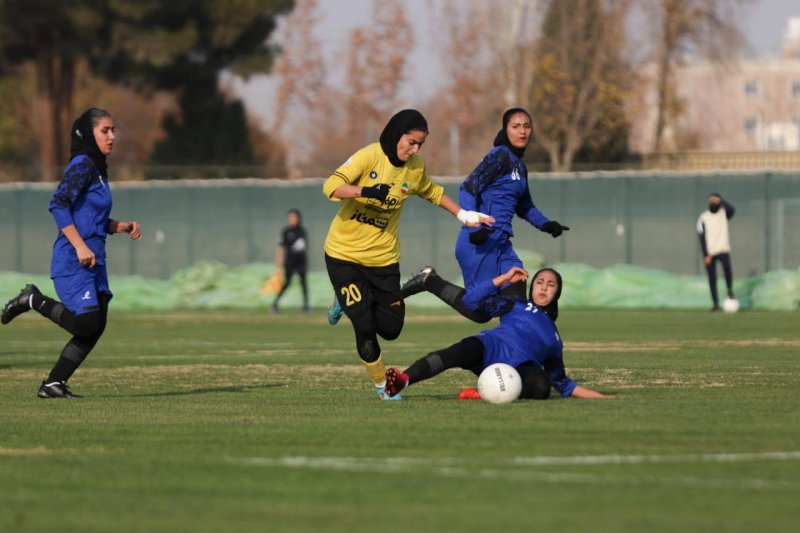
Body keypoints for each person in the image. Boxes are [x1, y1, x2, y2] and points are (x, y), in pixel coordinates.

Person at [322, 109, 493, 400]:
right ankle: (382, 387)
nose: (414, 149)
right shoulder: (369, 156)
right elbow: (330, 187)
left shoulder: (414, 169)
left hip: (384, 261)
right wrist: (367, 191)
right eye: (411, 142)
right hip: (344, 255)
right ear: (395, 133)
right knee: (364, 325)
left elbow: (433, 192)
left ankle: (346, 299)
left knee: (390, 329)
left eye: (420, 145)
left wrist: (464, 215)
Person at [0, 108, 141, 398]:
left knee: (95, 326)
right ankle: (33, 300)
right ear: (90, 133)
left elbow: (92, 217)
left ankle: (54, 384)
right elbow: (59, 204)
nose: (112, 136)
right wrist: (79, 245)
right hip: (73, 259)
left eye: (114, 130)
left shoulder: (98, 169)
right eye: (105, 130)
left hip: (95, 261)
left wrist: (120, 226)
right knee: (87, 322)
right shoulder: (83, 164)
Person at [401, 108, 569, 322]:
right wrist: (476, 228)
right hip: (480, 242)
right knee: (479, 311)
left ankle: (514, 350)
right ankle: (429, 281)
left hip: (502, 244)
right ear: (505, 129)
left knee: (515, 297)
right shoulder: (500, 155)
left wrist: (546, 224)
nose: (522, 131)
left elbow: (524, 205)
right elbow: (468, 188)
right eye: (515, 126)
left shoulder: (519, 165)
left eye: (526, 126)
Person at [384, 266, 607, 400]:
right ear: (532, 286)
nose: (544, 287)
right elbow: (471, 301)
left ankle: (483, 393)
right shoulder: (515, 304)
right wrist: (503, 279)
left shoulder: (555, 340)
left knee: (542, 386)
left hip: (520, 367)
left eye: (551, 285)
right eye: (539, 282)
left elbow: (565, 385)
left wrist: (603, 398)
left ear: (557, 293)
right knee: (456, 353)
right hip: (490, 347)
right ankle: (403, 380)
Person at [697, 193, 736, 311]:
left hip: (722, 248)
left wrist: (722, 200)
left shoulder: (723, 214)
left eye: (715, 201)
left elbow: (732, 210)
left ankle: (729, 291)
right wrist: (705, 255)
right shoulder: (703, 217)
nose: (713, 203)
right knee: (712, 278)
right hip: (710, 252)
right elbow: (701, 237)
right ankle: (715, 304)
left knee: (727, 271)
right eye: (711, 201)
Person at [271, 208, 310, 313]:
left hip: (301, 261)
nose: (292, 219)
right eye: (290, 217)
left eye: (293, 217)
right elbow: (280, 246)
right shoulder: (286, 231)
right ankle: (275, 304)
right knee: (287, 282)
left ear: (298, 218)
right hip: (290, 262)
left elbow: (304, 246)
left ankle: (306, 305)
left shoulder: (302, 231)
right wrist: (279, 260)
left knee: (303, 283)